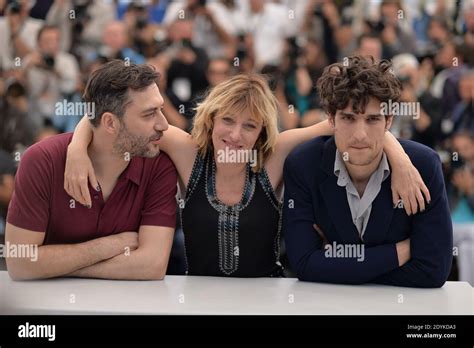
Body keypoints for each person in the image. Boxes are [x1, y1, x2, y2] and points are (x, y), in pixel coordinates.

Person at [65, 73, 430, 277]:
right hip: (199, 299)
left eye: (249, 125)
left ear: (262, 133)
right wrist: (76, 150)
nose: (235, 134)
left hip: (266, 299)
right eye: (227, 120)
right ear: (210, 119)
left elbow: (344, 127)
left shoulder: (274, 156)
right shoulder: (188, 151)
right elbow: (107, 114)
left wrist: (399, 158)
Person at [283, 56, 452, 288]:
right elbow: (303, 264)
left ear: (389, 121)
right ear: (331, 118)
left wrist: (337, 265)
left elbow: (433, 271)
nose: (360, 134)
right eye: (349, 118)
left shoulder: (423, 165)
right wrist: (401, 252)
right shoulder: (303, 165)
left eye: (372, 119)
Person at [5, 60, 177, 281]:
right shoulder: (42, 161)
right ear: (110, 123)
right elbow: (20, 264)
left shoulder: (159, 164)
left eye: (160, 110)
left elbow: (151, 266)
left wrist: (56, 265)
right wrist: (108, 246)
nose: (164, 124)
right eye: (149, 114)